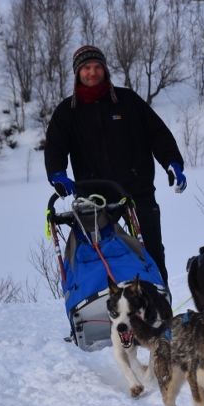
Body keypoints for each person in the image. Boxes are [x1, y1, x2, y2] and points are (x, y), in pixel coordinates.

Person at [44, 45, 187, 286]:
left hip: (136, 191)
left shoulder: (127, 101)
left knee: (151, 254)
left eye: (97, 67)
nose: (93, 72)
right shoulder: (67, 112)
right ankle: (110, 306)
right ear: (78, 73)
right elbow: (55, 147)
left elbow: (158, 134)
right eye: (86, 68)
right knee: (100, 260)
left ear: (105, 70)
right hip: (93, 198)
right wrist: (57, 173)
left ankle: (159, 302)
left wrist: (172, 161)